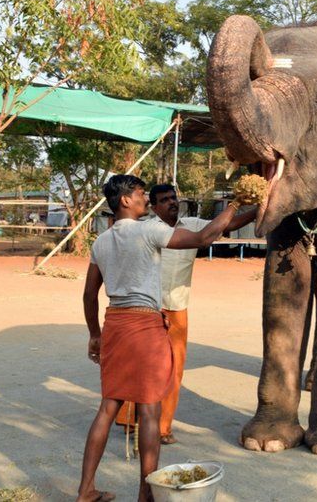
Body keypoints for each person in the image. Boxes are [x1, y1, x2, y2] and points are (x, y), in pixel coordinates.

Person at [77, 174, 244, 502]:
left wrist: (95, 335)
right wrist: (236, 203)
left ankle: (85, 490)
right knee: (150, 413)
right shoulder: (149, 229)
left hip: (115, 324)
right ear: (125, 200)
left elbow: (88, 295)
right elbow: (203, 238)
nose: (144, 198)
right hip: (145, 326)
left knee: (108, 407)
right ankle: (145, 493)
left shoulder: (102, 241)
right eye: (140, 194)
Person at [115, 185, 257, 445]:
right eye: (164, 200)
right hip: (148, 309)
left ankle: (162, 428)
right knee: (140, 367)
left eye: (173, 198)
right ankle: (128, 419)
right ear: (154, 206)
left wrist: (258, 208)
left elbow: (228, 224)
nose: (171, 203)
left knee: (174, 370)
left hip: (178, 308)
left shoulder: (192, 224)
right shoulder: (146, 229)